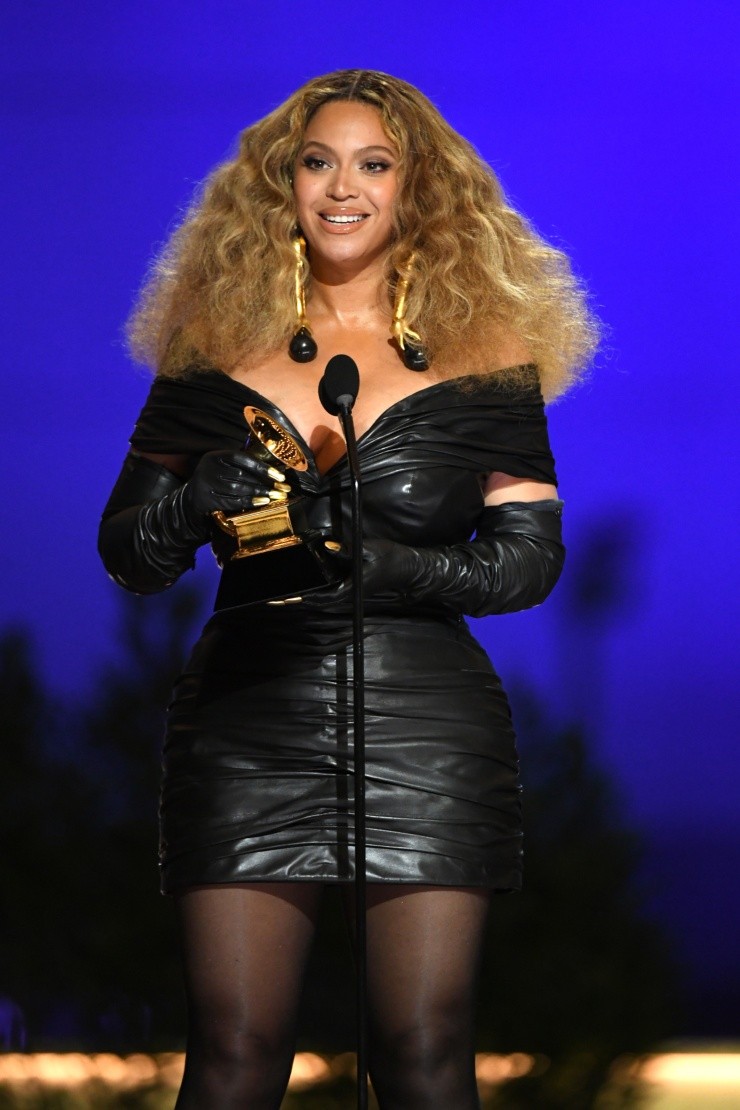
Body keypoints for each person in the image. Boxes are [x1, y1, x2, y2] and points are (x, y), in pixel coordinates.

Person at [99, 69, 597, 1110]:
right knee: (233, 1051)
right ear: (279, 187)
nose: (342, 187)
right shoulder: (204, 353)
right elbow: (127, 554)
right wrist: (192, 511)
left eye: (374, 164)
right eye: (316, 162)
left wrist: (395, 567)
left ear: (416, 190)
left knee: (421, 1050)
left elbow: (528, 561)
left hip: (424, 721)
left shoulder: (488, 360)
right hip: (245, 718)